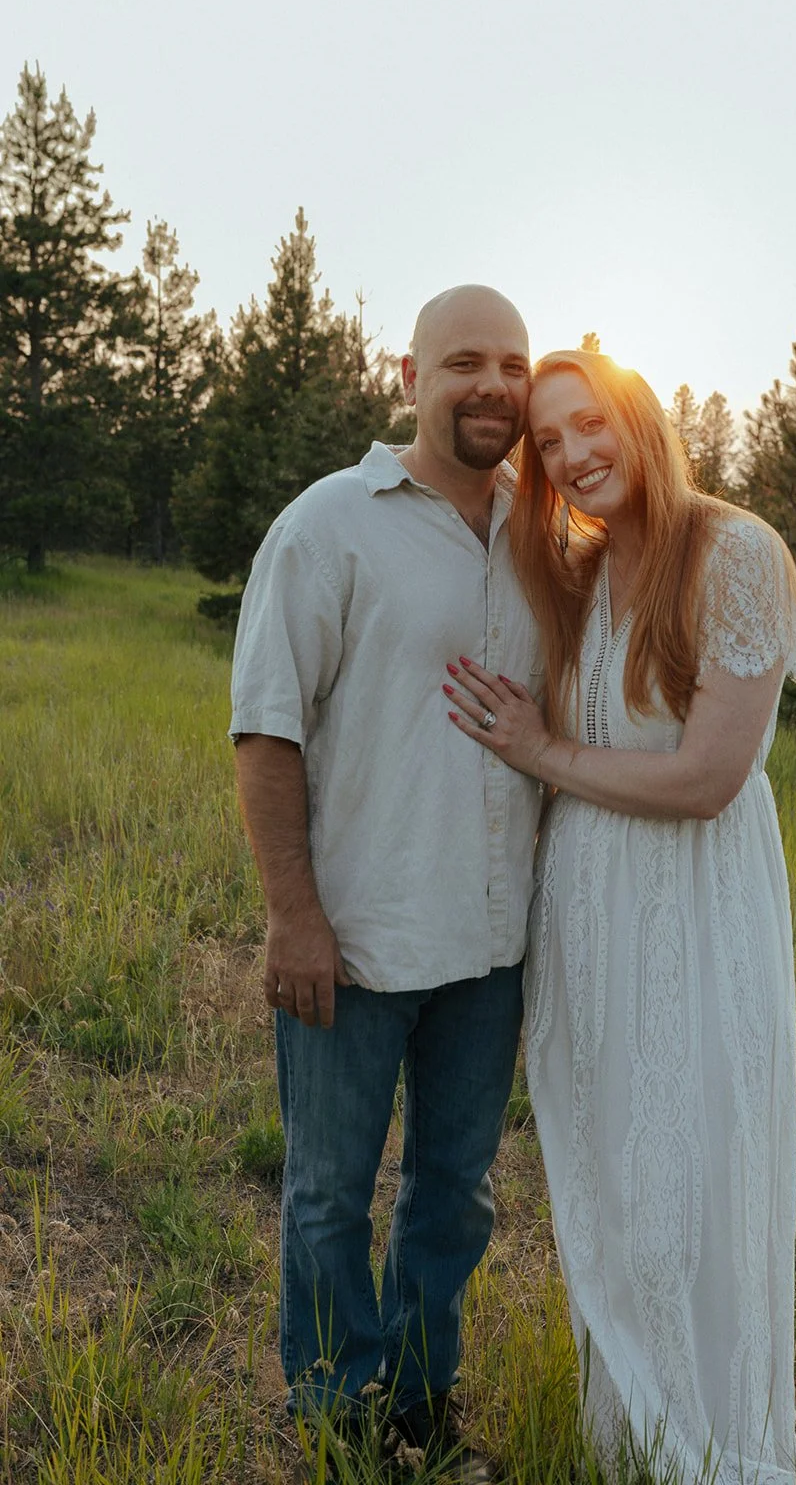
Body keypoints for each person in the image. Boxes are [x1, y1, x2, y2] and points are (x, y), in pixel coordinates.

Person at [442, 349, 796, 1485]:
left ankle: (715, 1447)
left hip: (696, 909)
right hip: (589, 916)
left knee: (692, 1179)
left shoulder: (734, 552)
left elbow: (706, 780)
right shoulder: (583, 566)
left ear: (640, 418)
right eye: (549, 441)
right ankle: (636, 1443)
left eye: (590, 422)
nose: (573, 454)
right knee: (609, 1180)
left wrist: (540, 750)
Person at [229, 285, 542, 1482]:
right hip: (355, 937)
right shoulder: (329, 525)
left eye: (511, 363)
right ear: (408, 376)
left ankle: (418, 1395)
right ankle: (331, 1411)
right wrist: (292, 915)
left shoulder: (541, 534)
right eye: (463, 361)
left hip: (491, 944)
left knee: (455, 1194)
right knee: (327, 1192)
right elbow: (266, 729)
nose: (493, 385)